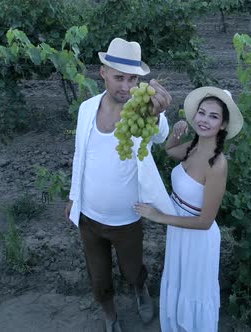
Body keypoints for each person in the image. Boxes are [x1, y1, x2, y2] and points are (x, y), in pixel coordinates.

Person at [64, 37, 174, 332]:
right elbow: (80, 155)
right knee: (98, 276)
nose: (126, 86)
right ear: (103, 73)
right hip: (89, 216)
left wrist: (159, 113)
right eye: (119, 77)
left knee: (132, 268)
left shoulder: (141, 111)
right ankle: (110, 314)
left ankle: (140, 290)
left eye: (133, 78)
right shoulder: (87, 108)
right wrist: (74, 196)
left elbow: (160, 135)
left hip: (127, 217)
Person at [134, 86, 244, 332]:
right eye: (202, 113)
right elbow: (170, 151)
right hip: (179, 230)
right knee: (179, 282)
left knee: (193, 290)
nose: (204, 120)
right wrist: (176, 132)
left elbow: (205, 222)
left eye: (213, 116)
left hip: (198, 240)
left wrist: (160, 217)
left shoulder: (217, 164)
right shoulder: (194, 147)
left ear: (223, 125)